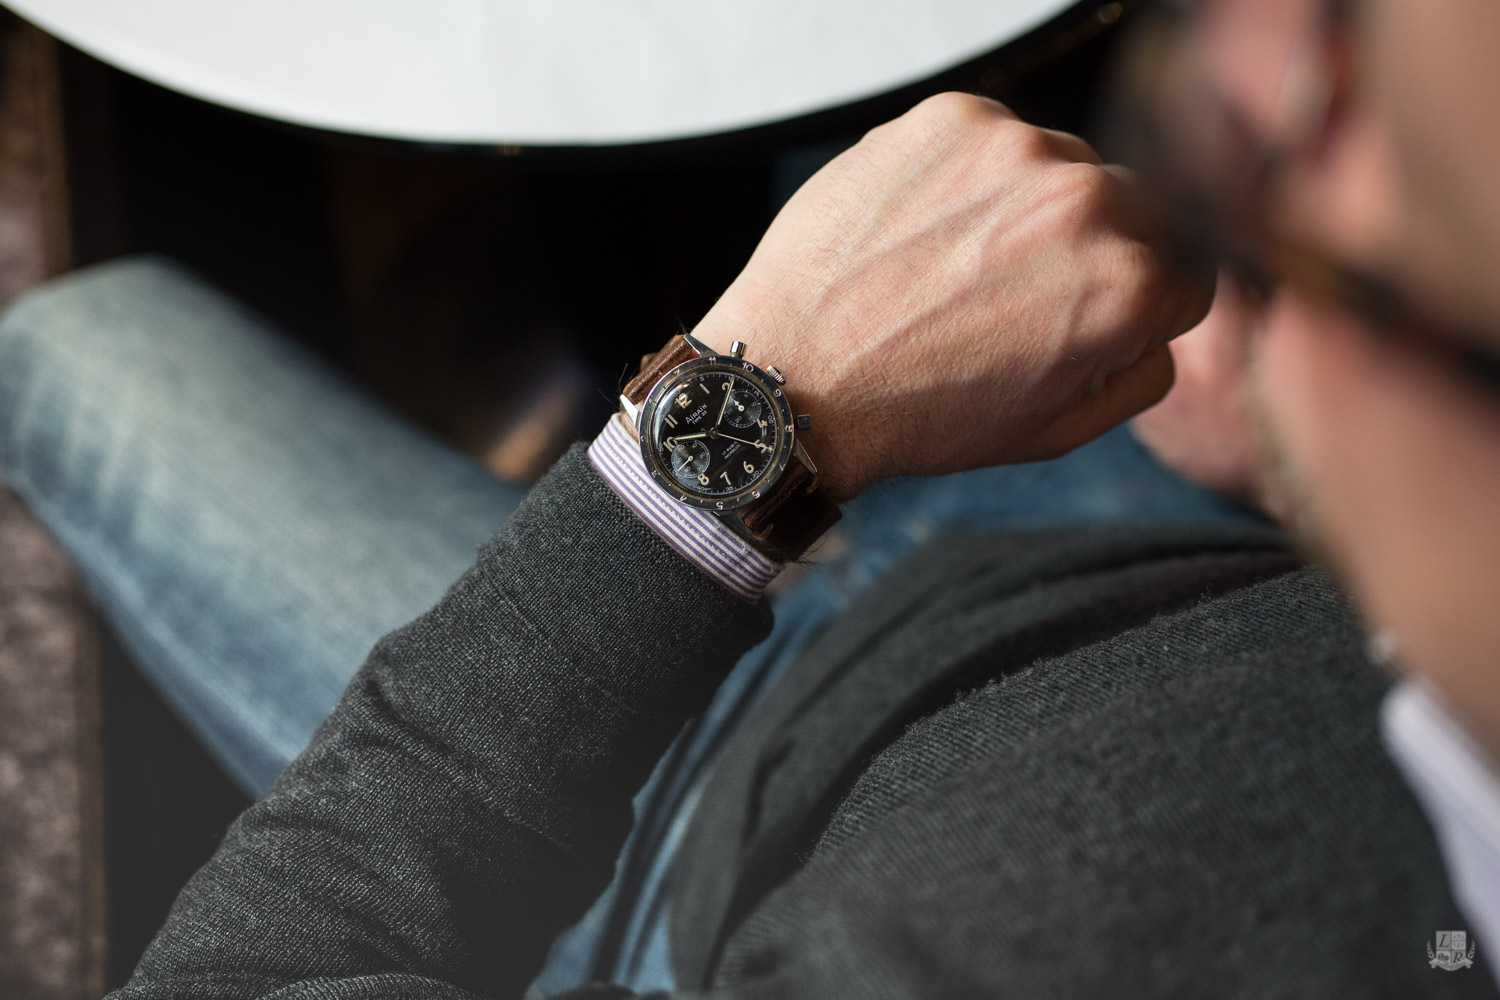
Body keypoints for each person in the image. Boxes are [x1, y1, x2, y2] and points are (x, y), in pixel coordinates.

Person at [0, 0, 1496, 997]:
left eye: (1301, 118)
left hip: (689, 838)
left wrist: (734, 438)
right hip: (1162, 565)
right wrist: (1311, 469)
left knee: (70, 350)